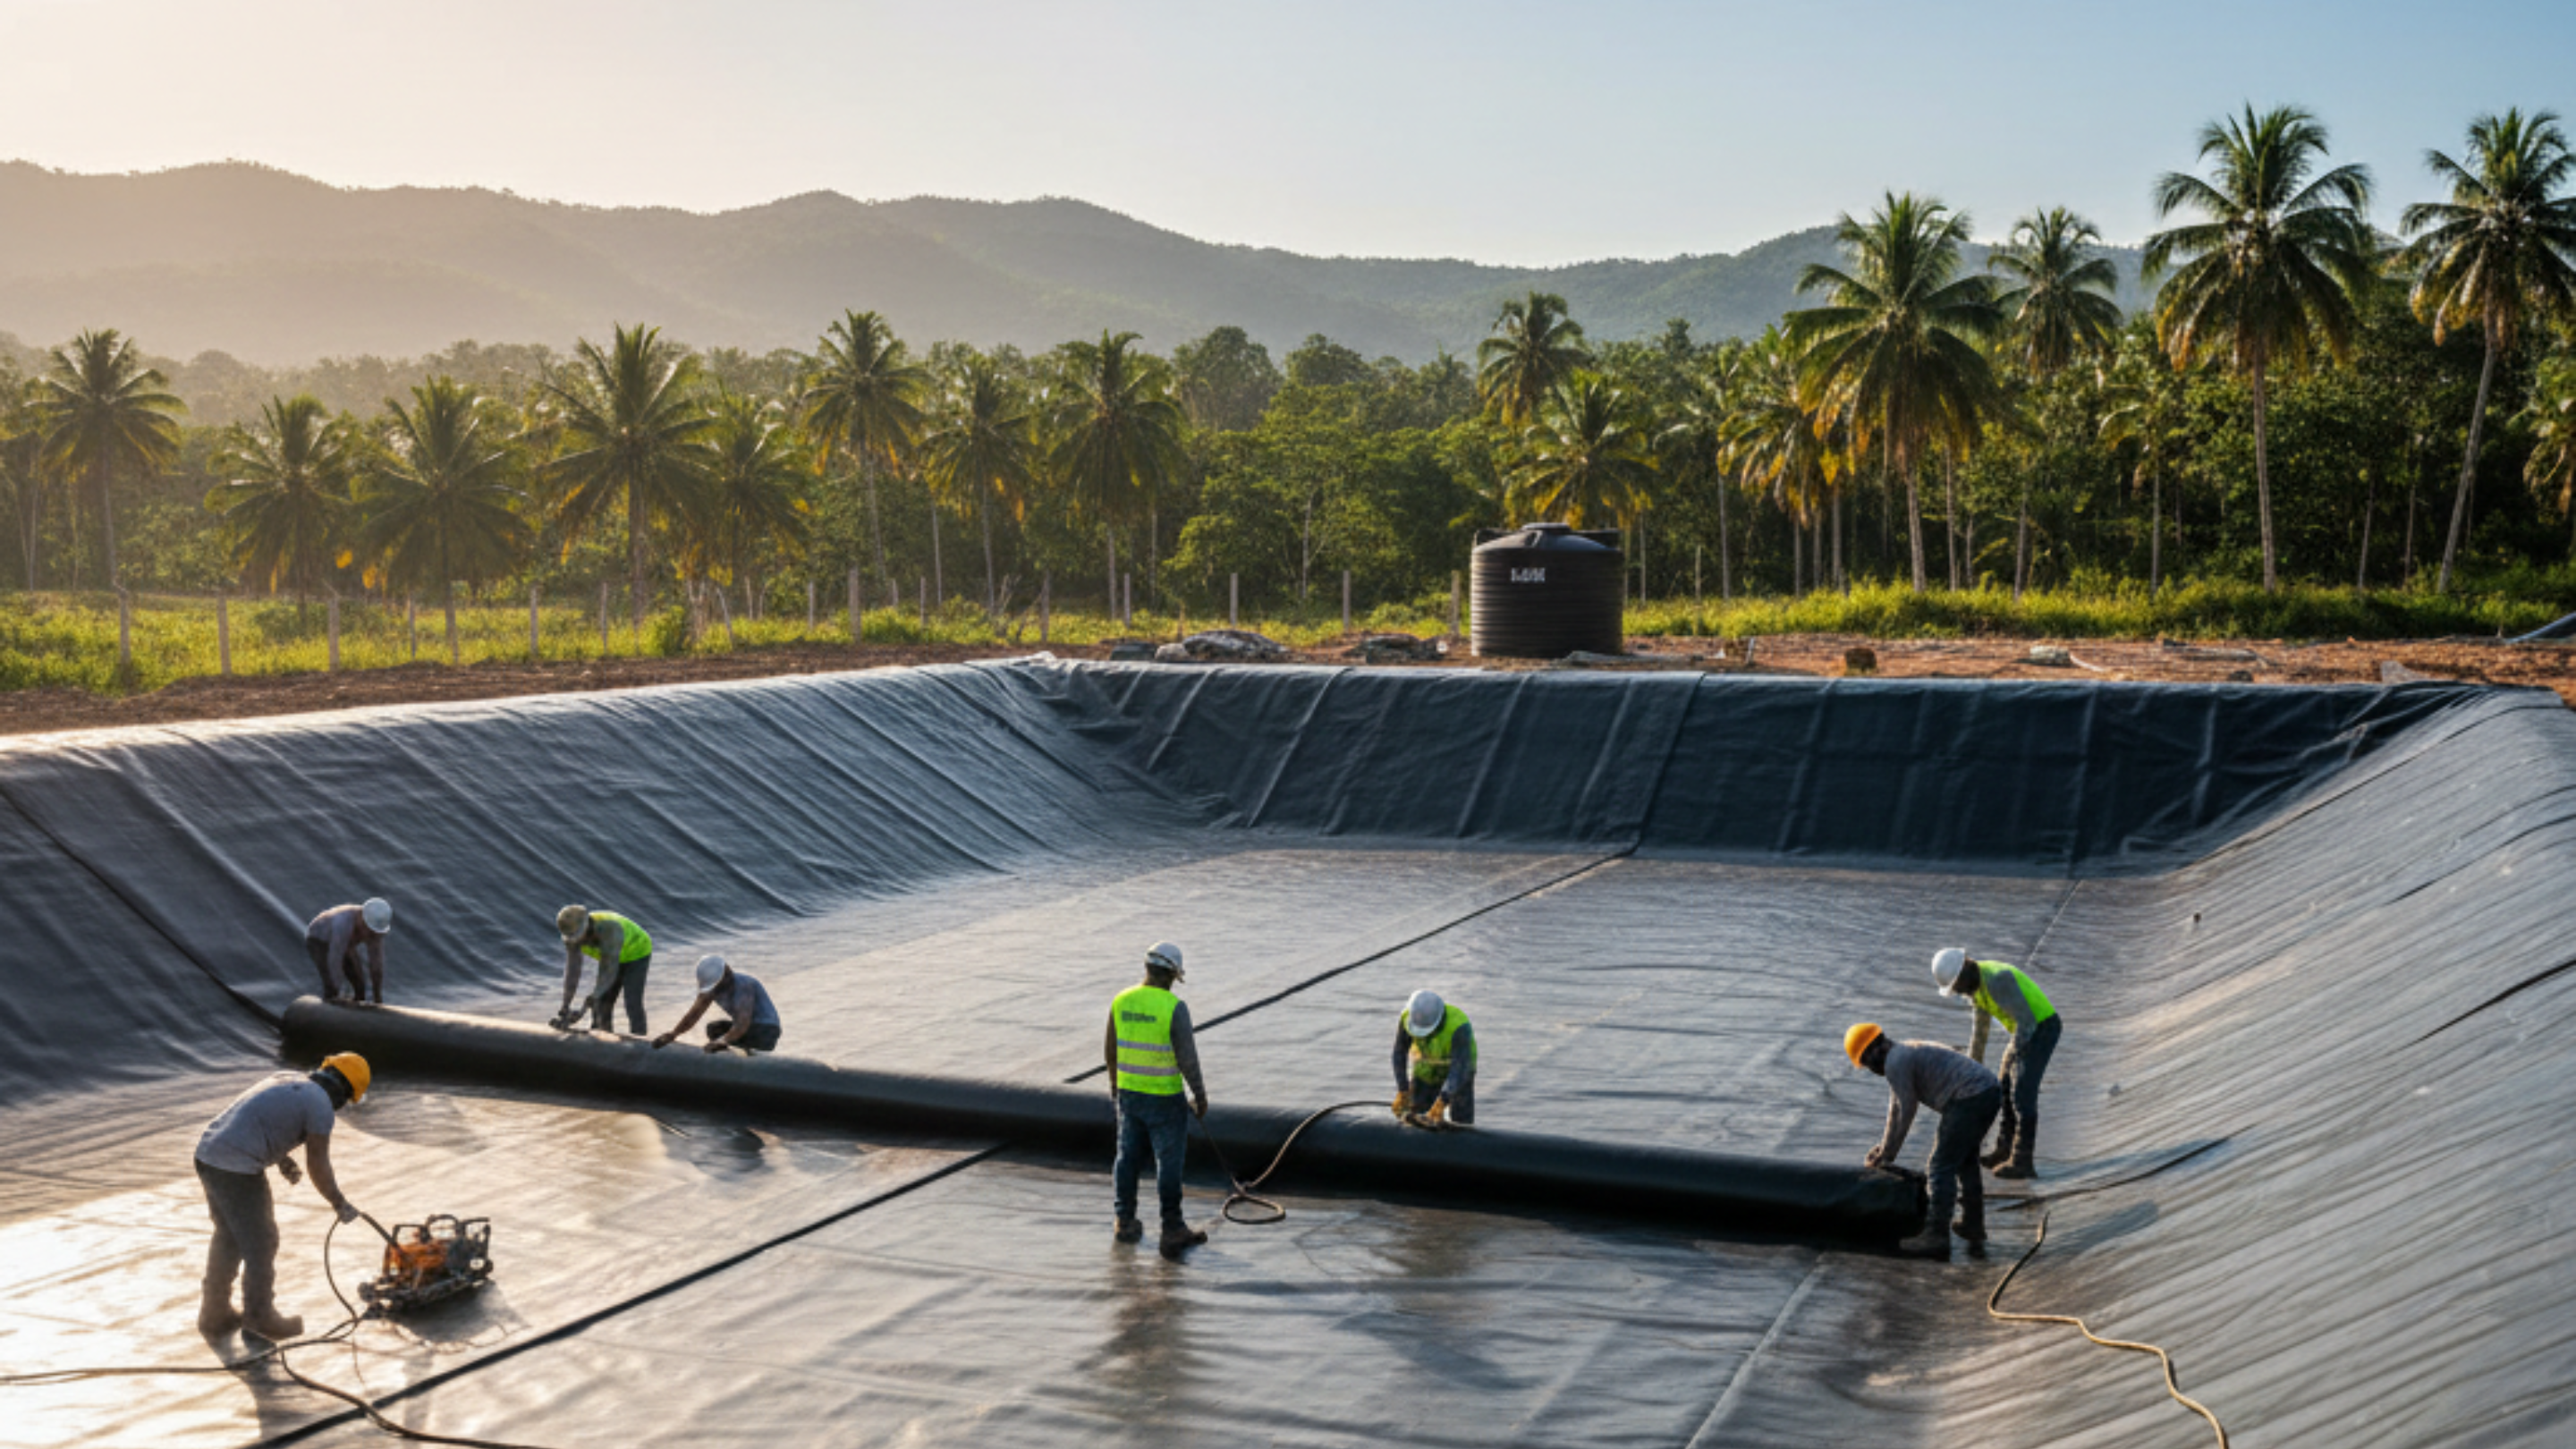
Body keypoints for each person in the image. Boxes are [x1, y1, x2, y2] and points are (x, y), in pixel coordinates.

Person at [193, 1054, 369, 1341]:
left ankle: (214, 1315)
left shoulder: (287, 1079)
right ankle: (259, 1317)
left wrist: (281, 1158)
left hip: (207, 1155)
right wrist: (339, 1202)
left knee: (229, 1235)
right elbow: (318, 1164)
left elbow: (258, 1118)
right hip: (236, 1167)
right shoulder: (321, 1105)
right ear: (344, 1092)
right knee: (262, 1241)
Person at [1846, 1022, 2001, 1260]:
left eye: (1866, 1065)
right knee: (1965, 1159)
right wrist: (1885, 1149)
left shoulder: (1896, 1061)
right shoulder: (1901, 1054)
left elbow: (1907, 1109)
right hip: (1987, 1090)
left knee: (1940, 1165)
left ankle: (1936, 1235)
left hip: (1970, 1096)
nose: (1870, 1070)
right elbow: (1895, 1108)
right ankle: (1973, 1224)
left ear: (1871, 1055)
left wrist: (1889, 1154)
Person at [1104, 941, 1210, 1261]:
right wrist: (1199, 1095)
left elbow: (1110, 1049)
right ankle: (1173, 1228)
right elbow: (1187, 1059)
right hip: (1165, 1098)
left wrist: (1115, 1086)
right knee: (1169, 1163)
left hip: (1129, 1094)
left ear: (1147, 968)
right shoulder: (1173, 1008)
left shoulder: (1121, 1001)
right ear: (1172, 975)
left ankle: (1124, 1221)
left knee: (1127, 1157)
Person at [1931, 947, 2062, 1180]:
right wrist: (1969, 1071)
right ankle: (2004, 1149)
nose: (1959, 992)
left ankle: (2022, 1161)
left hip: (2042, 1029)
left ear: (1964, 972)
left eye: (1957, 986)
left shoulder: (1997, 979)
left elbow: (2028, 1022)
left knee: (2022, 1093)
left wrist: (2015, 1055)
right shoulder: (1976, 989)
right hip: (2024, 1031)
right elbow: (1980, 1032)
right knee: (2003, 1086)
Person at [653, 954, 782, 1053]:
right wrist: (674, 1034)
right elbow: (694, 1015)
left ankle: (745, 1060)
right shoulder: (714, 989)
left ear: (726, 974)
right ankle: (732, 1059)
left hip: (766, 1032)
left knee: (722, 1037)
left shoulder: (744, 986)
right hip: (747, 1030)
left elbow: (743, 1023)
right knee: (713, 1029)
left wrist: (723, 1040)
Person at [555, 905, 653, 1035]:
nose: (577, 941)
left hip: (637, 953)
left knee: (632, 1002)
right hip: (613, 956)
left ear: (586, 926)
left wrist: (590, 1000)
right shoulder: (571, 938)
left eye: (578, 936)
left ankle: (640, 1038)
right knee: (601, 1003)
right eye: (573, 938)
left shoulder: (609, 930)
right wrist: (565, 1005)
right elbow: (573, 972)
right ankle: (602, 1035)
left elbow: (609, 971)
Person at [1391, 988, 1477, 1126]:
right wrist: (1403, 1089)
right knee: (1415, 1117)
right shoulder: (1408, 1018)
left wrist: (1443, 1100)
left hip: (1459, 1070)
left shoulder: (1458, 1026)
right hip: (1426, 1070)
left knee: (1461, 1122)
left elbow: (1459, 1070)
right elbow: (1399, 1052)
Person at [305, 899, 391, 1004]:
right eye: (367, 929)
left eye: (373, 932)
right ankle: (330, 1007)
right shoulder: (343, 921)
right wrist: (336, 988)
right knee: (331, 983)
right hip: (319, 940)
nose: (369, 934)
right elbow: (335, 957)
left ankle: (359, 1010)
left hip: (346, 945)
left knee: (359, 983)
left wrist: (377, 997)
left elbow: (376, 962)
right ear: (361, 917)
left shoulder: (374, 930)